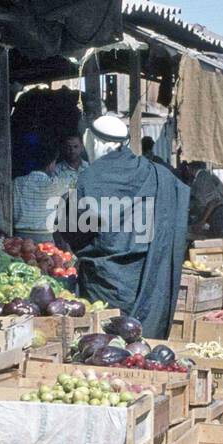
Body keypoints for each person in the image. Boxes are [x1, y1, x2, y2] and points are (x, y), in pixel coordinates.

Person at [57, 114, 189, 339]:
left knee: (103, 346)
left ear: (95, 142)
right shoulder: (155, 173)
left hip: (103, 283)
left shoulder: (89, 178)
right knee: (140, 349)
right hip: (147, 277)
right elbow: (177, 200)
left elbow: (70, 228)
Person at [13, 145, 65, 242]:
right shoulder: (56, 185)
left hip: (19, 237)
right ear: (50, 165)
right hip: (45, 238)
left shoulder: (17, 182)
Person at [186, 164, 223, 240]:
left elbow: (213, 201)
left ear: (189, 168)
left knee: (222, 247)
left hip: (221, 219)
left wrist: (202, 222)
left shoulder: (202, 177)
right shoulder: (209, 176)